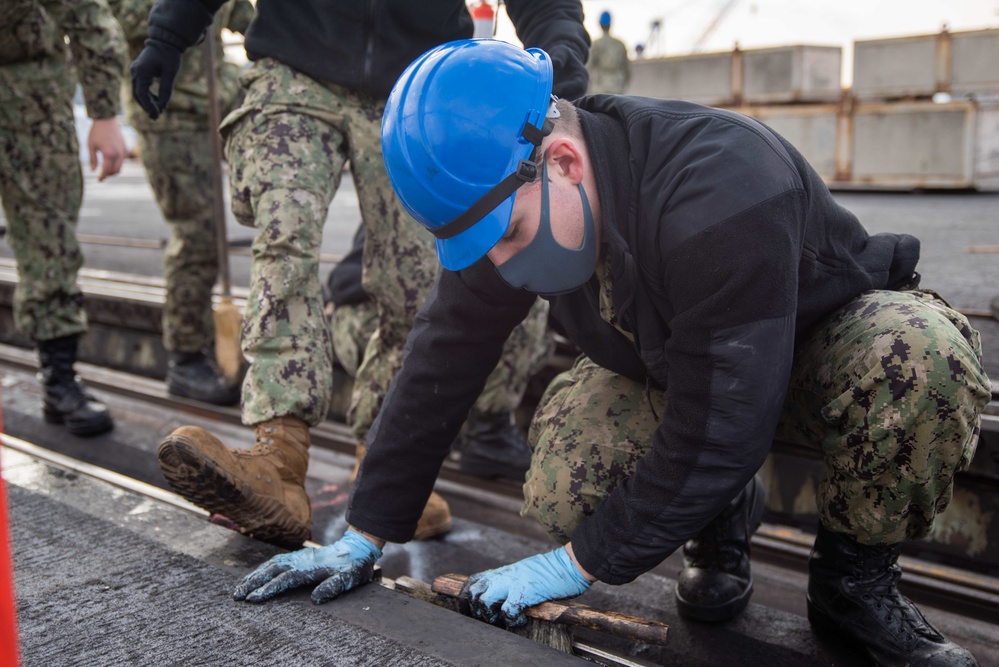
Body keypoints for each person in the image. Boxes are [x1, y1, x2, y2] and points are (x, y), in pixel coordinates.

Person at [233, 40, 990, 667]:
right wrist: (363, 532)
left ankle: (852, 582)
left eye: (509, 236)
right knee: (567, 467)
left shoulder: (722, 181)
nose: (499, 263)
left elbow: (723, 423)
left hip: (816, 346)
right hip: (697, 367)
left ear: (560, 159)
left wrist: (572, 566)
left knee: (919, 355)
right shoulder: (513, 193)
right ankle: (718, 520)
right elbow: (444, 353)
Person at [129, 0, 590, 548]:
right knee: (285, 237)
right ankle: (279, 455)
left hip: (421, 86)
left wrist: (563, 51)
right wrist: (169, 32)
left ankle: (381, 465)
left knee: (418, 283)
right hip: (295, 61)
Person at [326, 226, 552, 482]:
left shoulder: (483, 213)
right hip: (368, 319)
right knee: (426, 330)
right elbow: (346, 281)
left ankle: (487, 432)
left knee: (523, 310)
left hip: (418, 316)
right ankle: (389, 444)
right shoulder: (413, 208)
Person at [111, 0, 253, 406]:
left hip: (215, 108)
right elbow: (119, 19)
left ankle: (205, 348)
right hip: (167, 112)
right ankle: (185, 357)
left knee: (220, 231)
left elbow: (247, 18)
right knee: (198, 236)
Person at [0, 0, 128, 436]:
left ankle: (59, 381)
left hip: (32, 100)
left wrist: (104, 113)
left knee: (51, 243)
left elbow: (88, 16)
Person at [586, 10, 630, 94]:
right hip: (616, 86)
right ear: (610, 24)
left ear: (600, 24)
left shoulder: (596, 44)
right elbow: (627, 70)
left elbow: (589, 67)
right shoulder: (620, 44)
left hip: (599, 87)